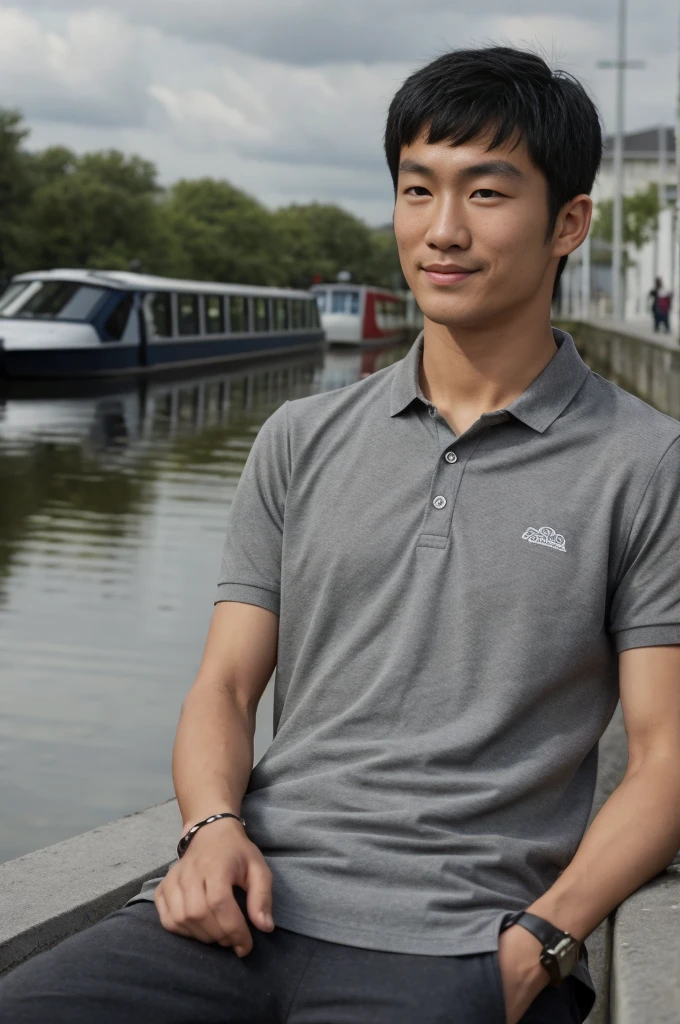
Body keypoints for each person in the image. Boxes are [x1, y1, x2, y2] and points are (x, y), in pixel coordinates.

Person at [2, 46, 680, 1024]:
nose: (441, 230)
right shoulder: (299, 437)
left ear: (565, 221)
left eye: (485, 193)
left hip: (455, 941)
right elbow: (225, 687)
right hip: (238, 908)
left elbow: (662, 757)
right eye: (417, 189)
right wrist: (209, 828)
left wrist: (537, 945)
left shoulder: (644, 463)